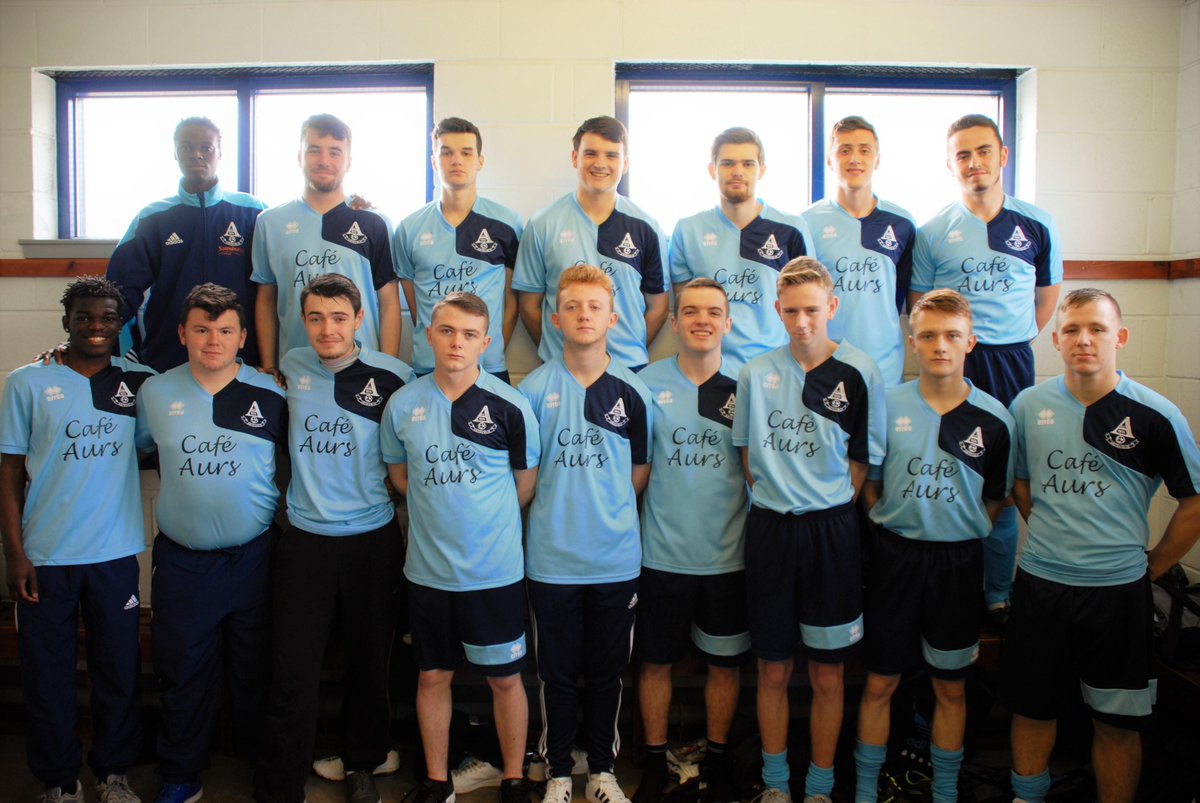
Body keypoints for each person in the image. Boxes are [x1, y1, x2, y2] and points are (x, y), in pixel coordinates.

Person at [1006, 288, 1200, 803]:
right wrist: (1052, 532)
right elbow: (1019, 482)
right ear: (1055, 339)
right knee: (1032, 709)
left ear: (1121, 337)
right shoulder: (1028, 405)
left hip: (1118, 595)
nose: (1084, 340)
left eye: (1097, 328)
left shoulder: (1156, 414)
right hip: (1041, 586)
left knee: (1117, 722)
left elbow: (1194, 502)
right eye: (1071, 329)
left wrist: (1152, 567)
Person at [254, 272, 414, 803]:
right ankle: (281, 782)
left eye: (339, 317)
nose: (328, 329)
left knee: (369, 664)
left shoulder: (394, 377)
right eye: (317, 318)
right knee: (292, 667)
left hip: (372, 541)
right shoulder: (290, 367)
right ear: (303, 321)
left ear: (360, 319)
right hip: (305, 543)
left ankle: (362, 763)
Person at [732, 257, 885, 803]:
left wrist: (826, 503)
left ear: (832, 307)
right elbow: (748, 457)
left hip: (832, 534)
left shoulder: (860, 371)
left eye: (813, 311)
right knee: (772, 670)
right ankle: (776, 785)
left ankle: (820, 787)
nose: (802, 322)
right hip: (771, 531)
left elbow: (862, 459)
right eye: (792, 311)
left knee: (827, 674)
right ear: (777, 310)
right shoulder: (754, 373)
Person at [853, 289, 1014, 803]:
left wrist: (960, 528)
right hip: (896, 559)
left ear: (971, 341)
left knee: (950, 686)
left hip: (958, 563)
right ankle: (864, 789)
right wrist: (890, 524)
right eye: (927, 336)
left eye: (951, 335)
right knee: (880, 683)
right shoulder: (886, 405)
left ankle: (945, 791)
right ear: (912, 342)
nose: (939, 346)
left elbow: (997, 500)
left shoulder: (996, 418)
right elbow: (869, 485)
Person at [0, 277, 154, 803]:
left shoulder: (139, 382)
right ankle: (60, 782)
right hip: (45, 556)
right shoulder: (27, 382)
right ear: (66, 321)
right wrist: (15, 553)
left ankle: (113, 774)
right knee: (47, 675)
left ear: (120, 324)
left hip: (114, 555)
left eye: (107, 318)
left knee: (118, 671)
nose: (95, 326)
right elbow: (9, 471)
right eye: (84, 316)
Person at [381, 291, 539, 803]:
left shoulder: (511, 406)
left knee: (506, 680)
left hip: (494, 574)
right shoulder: (403, 404)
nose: (456, 343)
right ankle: (435, 780)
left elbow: (524, 485)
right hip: (428, 574)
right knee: (432, 677)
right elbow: (400, 479)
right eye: (446, 331)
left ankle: (513, 778)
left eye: (469, 334)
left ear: (485, 343)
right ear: (428, 334)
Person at [134, 284, 287, 803]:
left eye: (225, 330)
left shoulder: (273, 393)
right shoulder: (155, 393)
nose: (213, 340)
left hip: (254, 558)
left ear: (243, 336)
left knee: (257, 670)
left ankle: (264, 771)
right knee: (182, 671)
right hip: (184, 564)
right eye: (202, 329)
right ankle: (181, 773)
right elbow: (136, 446)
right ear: (182, 334)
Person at [909, 114, 1063, 622]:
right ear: (950, 164)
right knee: (948, 470)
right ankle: (943, 586)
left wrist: (1009, 338)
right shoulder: (934, 231)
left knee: (1005, 480)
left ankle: (998, 593)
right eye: (962, 154)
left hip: (1011, 361)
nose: (973, 162)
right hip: (954, 361)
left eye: (983, 151)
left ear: (1003, 156)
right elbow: (920, 305)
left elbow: (1045, 299)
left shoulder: (1037, 224)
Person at [518, 265, 653, 803]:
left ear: (613, 318)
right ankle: (557, 772)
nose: (583, 315)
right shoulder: (533, 390)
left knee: (606, 673)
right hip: (551, 560)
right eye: (572, 306)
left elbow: (638, 474)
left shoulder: (633, 391)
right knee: (555, 674)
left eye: (594, 306)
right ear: (555, 318)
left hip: (614, 560)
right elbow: (525, 476)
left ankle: (601, 771)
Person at [632, 279, 749, 803]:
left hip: (729, 557)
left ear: (728, 322)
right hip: (661, 556)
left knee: (725, 666)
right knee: (655, 663)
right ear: (674, 322)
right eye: (692, 312)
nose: (703, 320)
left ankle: (718, 762)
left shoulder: (747, 386)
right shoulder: (644, 384)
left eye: (714, 312)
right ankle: (655, 763)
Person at [107, 116, 268, 372]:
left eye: (206, 147)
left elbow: (276, 285)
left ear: (220, 152)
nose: (196, 154)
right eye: (186, 147)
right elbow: (117, 293)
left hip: (243, 359)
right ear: (175, 153)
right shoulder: (152, 218)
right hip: (169, 356)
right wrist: (80, 344)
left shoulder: (253, 212)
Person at [251, 113, 402, 378]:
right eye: (314, 150)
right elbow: (266, 299)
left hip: (362, 372)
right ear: (299, 157)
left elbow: (389, 303)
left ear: (348, 162)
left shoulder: (374, 223)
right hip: (296, 372)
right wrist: (269, 365)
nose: (324, 160)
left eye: (334, 152)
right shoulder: (269, 223)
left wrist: (388, 370)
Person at [513, 116, 668, 371]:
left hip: (627, 368)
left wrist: (627, 353)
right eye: (591, 153)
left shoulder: (647, 227)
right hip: (561, 367)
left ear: (625, 164)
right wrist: (560, 353)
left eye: (611, 155)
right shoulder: (542, 224)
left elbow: (659, 308)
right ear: (575, 158)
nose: (600, 164)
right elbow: (529, 307)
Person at [669, 127, 813, 373]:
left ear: (762, 170)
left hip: (776, 369)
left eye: (748, 164)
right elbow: (685, 309)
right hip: (710, 370)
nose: (737, 171)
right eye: (727, 163)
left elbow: (808, 304)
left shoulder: (792, 229)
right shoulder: (687, 230)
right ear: (712, 170)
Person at [395, 117, 523, 382]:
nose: (456, 161)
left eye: (466, 153)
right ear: (434, 162)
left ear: (480, 161)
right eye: (446, 153)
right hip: (428, 366)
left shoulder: (507, 224)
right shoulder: (409, 228)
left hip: (488, 367)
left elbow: (512, 303)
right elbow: (416, 306)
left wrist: (487, 348)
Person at [803, 116, 916, 386]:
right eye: (844, 150)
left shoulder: (902, 223)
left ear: (877, 160)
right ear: (829, 160)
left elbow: (903, 296)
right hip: (824, 364)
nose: (854, 158)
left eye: (864, 150)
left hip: (884, 368)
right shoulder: (806, 223)